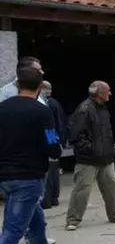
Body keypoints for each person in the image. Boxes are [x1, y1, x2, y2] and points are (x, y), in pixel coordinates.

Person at [0, 65, 73, 244]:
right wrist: (56, 148)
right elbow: (52, 145)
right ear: (40, 87)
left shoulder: (2, 108)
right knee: (13, 231)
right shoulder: (42, 111)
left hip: (6, 177)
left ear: (18, 84)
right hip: (28, 177)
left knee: (36, 224)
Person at [65, 81, 115, 230]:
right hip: (88, 159)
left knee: (111, 187)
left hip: (106, 158)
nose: (110, 93)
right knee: (82, 190)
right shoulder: (85, 109)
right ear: (100, 93)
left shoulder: (102, 108)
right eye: (108, 90)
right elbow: (76, 136)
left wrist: (109, 148)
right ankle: (73, 220)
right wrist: (92, 150)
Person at [40, 81, 67, 209]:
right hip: (57, 140)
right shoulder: (56, 103)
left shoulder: (46, 105)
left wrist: (51, 143)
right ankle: (54, 197)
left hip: (51, 140)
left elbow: (50, 126)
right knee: (54, 172)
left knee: (48, 173)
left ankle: (47, 200)